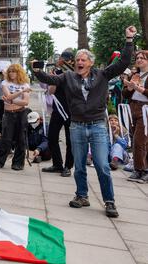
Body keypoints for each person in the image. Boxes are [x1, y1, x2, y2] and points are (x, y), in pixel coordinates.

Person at [32, 26, 137, 218]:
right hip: (77, 125)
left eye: (83, 60)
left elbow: (123, 63)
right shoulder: (68, 76)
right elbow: (50, 79)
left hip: (97, 125)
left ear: (90, 63)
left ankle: (109, 201)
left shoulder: (103, 75)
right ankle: (82, 195)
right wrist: (37, 70)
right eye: (78, 59)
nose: (80, 62)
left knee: (102, 165)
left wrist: (129, 40)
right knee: (79, 165)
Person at [42, 50, 75, 178]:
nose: (62, 61)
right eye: (62, 59)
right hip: (58, 109)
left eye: (65, 60)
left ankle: (68, 166)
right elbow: (51, 91)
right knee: (52, 137)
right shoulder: (57, 72)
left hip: (72, 110)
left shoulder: (76, 73)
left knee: (70, 140)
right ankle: (57, 164)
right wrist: (52, 79)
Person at [0, 64, 31, 170]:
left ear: (19, 72)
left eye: (14, 71)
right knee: (6, 138)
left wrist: (12, 100)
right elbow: (8, 96)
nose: (11, 73)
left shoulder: (25, 84)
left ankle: (18, 163)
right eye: (10, 71)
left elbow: (25, 102)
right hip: (8, 113)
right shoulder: (5, 83)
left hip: (21, 113)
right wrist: (21, 92)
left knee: (20, 139)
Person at [123, 50, 148, 183]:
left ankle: (142, 170)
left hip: (146, 110)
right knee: (137, 140)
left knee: (140, 140)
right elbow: (125, 94)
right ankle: (139, 169)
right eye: (137, 58)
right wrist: (130, 88)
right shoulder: (135, 74)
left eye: (142, 58)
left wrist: (139, 88)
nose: (139, 60)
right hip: (134, 109)